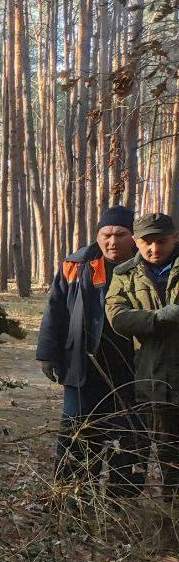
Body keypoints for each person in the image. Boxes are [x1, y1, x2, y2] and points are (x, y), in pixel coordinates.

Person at [36, 206, 145, 499]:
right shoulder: (77, 264)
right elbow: (55, 309)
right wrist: (47, 353)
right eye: (106, 235)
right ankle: (71, 495)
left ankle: (121, 501)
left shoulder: (145, 266)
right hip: (82, 364)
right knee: (77, 431)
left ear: (133, 237)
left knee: (129, 436)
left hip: (131, 369)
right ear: (97, 236)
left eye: (121, 235)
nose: (112, 242)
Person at [106, 213, 179, 506]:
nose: (154, 249)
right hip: (156, 381)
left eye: (161, 241)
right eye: (147, 242)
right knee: (168, 453)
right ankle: (171, 517)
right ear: (137, 242)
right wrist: (160, 318)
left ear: (175, 238)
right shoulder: (124, 274)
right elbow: (118, 317)